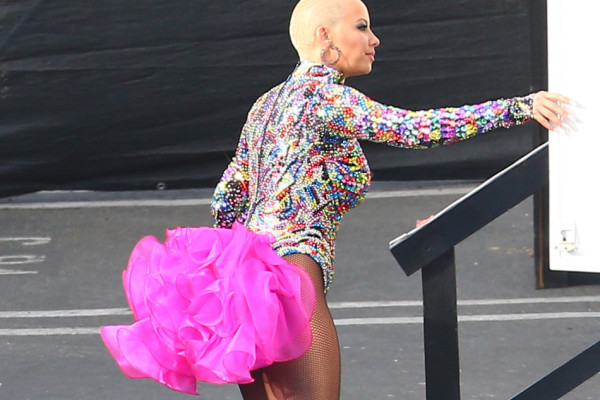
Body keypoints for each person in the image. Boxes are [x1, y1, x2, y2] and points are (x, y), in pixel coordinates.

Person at [101, 0, 573, 399]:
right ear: (325, 36)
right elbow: (412, 129)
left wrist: (239, 273)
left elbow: (226, 199)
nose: (374, 40)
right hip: (291, 281)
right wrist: (519, 108)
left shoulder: (266, 104)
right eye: (362, 27)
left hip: (246, 290)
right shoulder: (324, 96)